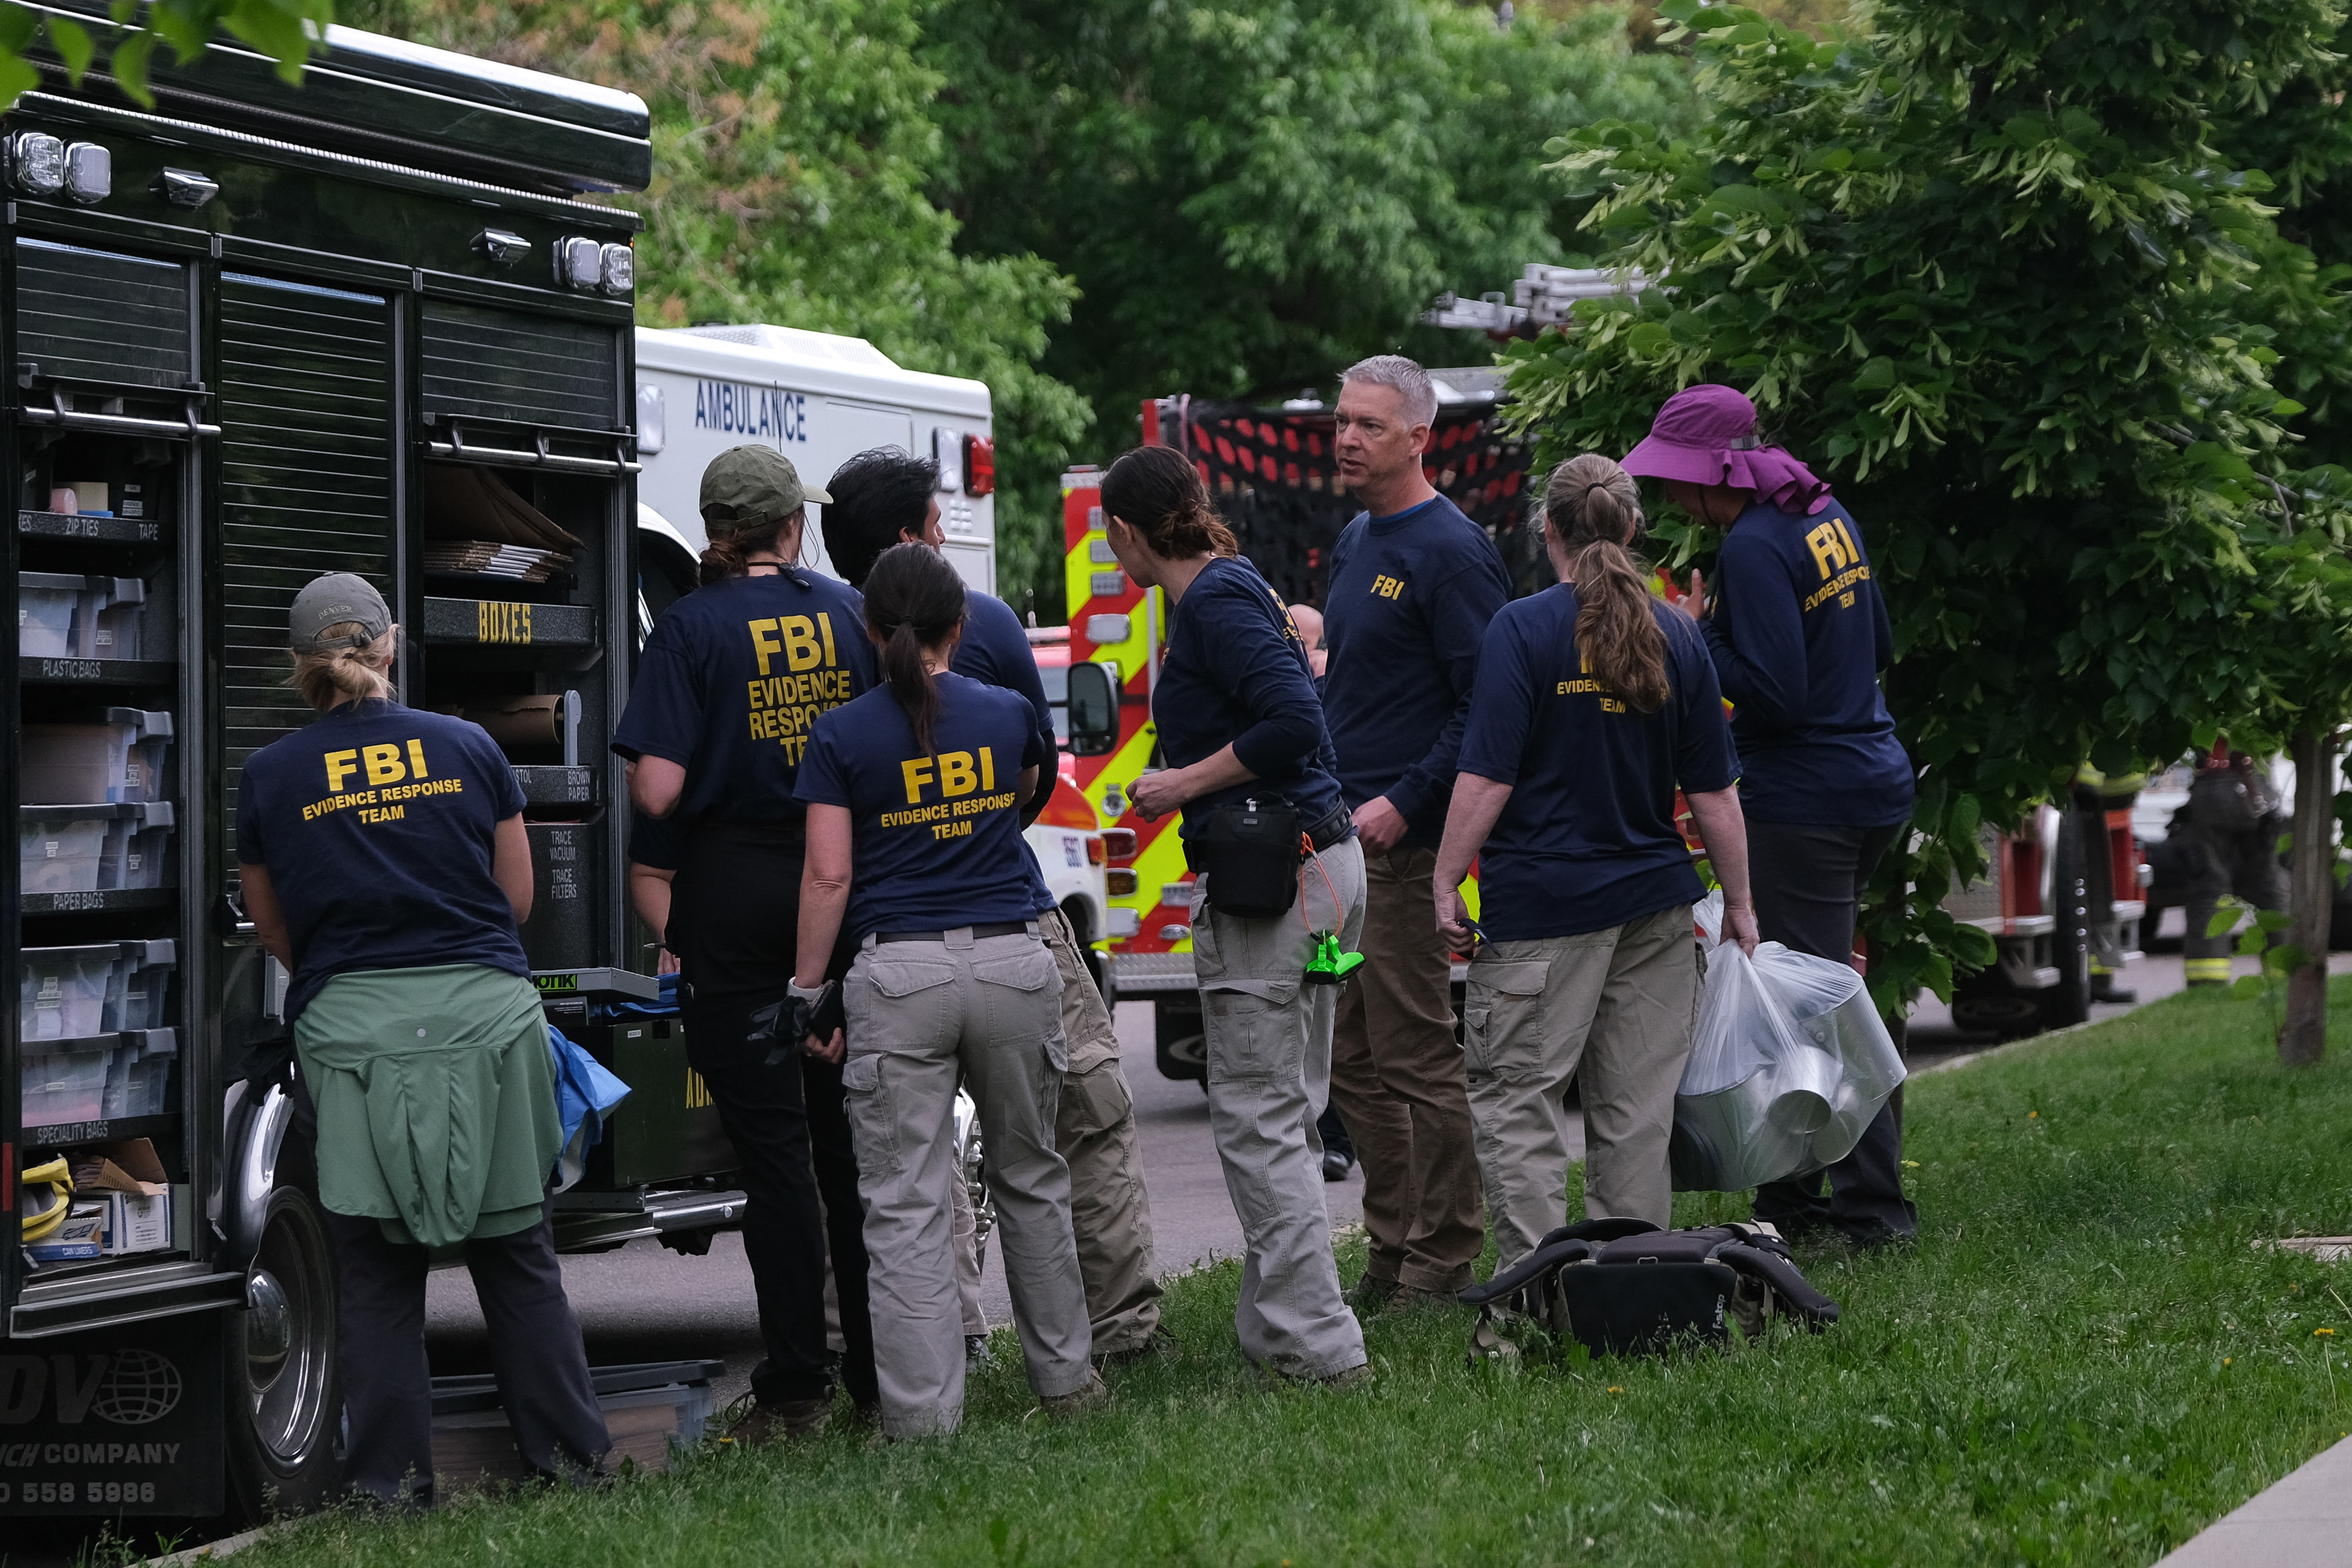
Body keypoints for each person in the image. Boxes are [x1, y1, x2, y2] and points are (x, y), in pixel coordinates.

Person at [236, 572, 607, 1507]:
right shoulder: (469, 745)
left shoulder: (271, 776)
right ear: (391, 644)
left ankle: (391, 1489)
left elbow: (275, 927)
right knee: (516, 1256)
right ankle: (571, 1468)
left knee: (374, 1272)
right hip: (488, 1025)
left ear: (298, 664)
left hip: (352, 1036)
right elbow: (515, 899)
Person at [822, 445, 1167, 1363]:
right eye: (938, 524)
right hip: (1012, 918)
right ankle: (1117, 1332)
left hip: (877, 939)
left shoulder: (826, 637)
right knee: (1083, 1115)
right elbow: (1032, 777)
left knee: (906, 1151)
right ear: (910, 538)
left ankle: (946, 1343)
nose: (947, 537)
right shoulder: (986, 625)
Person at [793, 542, 1104, 1436]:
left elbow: (828, 877)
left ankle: (924, 1419)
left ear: (869, 629)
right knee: (1032, 1176)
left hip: (899, 977)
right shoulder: (1008, 711)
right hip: (1013, 962)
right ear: (959, 629)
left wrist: (806, 991)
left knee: (905, 1202)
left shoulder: (840, 734)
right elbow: (1025, 793)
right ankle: (1068, 1383)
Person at [610, 445, 880, 1439]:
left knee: (773, 1156)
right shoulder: (851, 612)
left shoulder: (689, 625)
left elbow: (658, 791)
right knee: (850, 1151)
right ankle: (884, 1378)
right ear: (791, 526)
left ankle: (797, 1386)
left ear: (714, 530)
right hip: (839, 887)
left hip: (730, 892)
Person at [1432, 456, 1758, 1265]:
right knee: (1636, 1115)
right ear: (1633, 527)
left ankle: (1540, 1289)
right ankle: (1634, 1286)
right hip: (1655, 909)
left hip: (1544, 909)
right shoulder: (1677, 633)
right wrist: (1741, 905)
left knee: (1520, 1103)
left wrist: (1445, 878)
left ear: (1548, 530)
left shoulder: (1521, 629)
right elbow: (1714, 794)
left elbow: (1487, 777)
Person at [1625, 384, 1919, 1249]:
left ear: (1715, 471)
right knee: (1813, 995)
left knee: (1823, 1007)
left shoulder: (1753, 546)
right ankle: (1794, 1198)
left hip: (1806, 800)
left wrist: (1695, 632)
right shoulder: (1823, 512)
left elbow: (1776, 696)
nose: (1670, 494)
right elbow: (1880, 644)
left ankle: (1873, 1211)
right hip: (1873, 777)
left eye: (1676, 476)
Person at [1105, 445, 1370, 1385]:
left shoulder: (1214, 600)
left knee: (1260, 1122)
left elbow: (1296, 720)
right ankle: (1274, 1330)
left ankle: (1319, 1346)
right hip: (1316, 863)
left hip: (1280, 879)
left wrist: (1181, 782)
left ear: (1127, 531)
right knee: (1288, 1110)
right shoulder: (1235, 583)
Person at [1318, 354, 1509, 1311]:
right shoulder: (1357, 538)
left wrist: (1406, 800)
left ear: (1420, 438)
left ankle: (1446, 1253)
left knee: (1417, 1056)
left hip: (1404, 849)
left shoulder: (1453, 551)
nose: (1348, 439)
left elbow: (1487, 702)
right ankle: (1392, 1245)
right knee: (1350, 1060)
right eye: (1342, 421)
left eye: (1370, 425)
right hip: (1340, 845)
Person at [2180, 747, 2289, 986]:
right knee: (2269, 887)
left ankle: (2207, 981)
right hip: (2254, 789)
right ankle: (2282, 974)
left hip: (2210, 792)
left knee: (2210, 891)